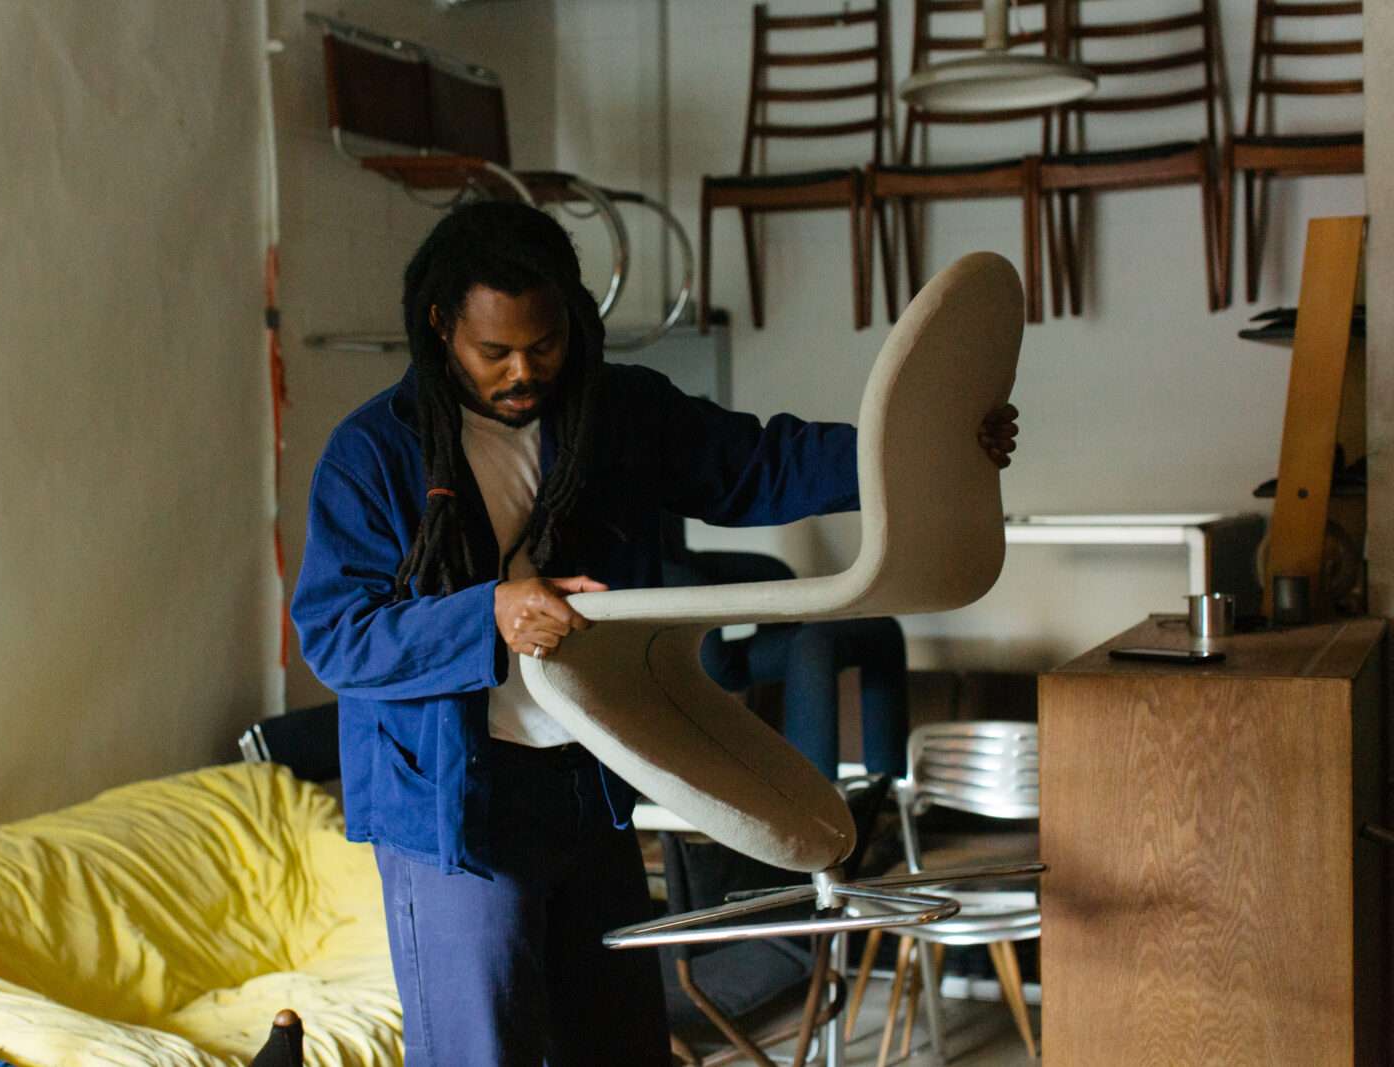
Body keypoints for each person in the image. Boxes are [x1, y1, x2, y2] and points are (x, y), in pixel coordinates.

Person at [290, 201, 1018, 1067]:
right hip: (453, 806)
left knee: (624, 1044)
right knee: (485, 1052)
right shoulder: (370, 453)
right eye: (497, 352)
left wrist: (924, 448)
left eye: (546, 342)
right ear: (442, 326)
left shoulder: (615, 410)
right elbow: (336, 635)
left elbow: (757, 465)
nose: (525, 369)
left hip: (591, 775)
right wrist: (488, 611)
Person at [659, 517, 909, 780]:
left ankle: (886, 788)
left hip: (680, 571)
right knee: (810, 646)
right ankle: (815, 805)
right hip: (660, 591)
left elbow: (771, 573)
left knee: (873, 632)